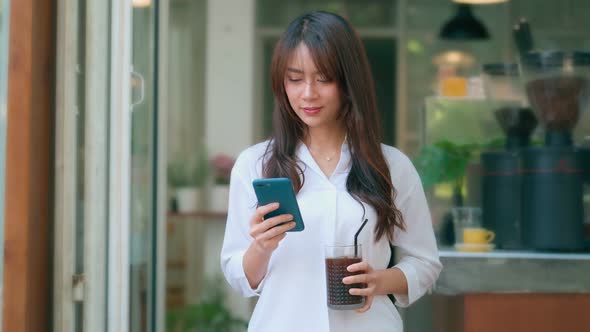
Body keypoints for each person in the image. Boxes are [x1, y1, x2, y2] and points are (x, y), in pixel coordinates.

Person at [220, 10, 442, 332]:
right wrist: (262, 247)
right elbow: (239, 276)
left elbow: (425, 263)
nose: (308, 93)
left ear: (349, 81)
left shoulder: (392, 167)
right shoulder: (255, 165)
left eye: (323, 78)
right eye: (295, 79)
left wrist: (379, 281)